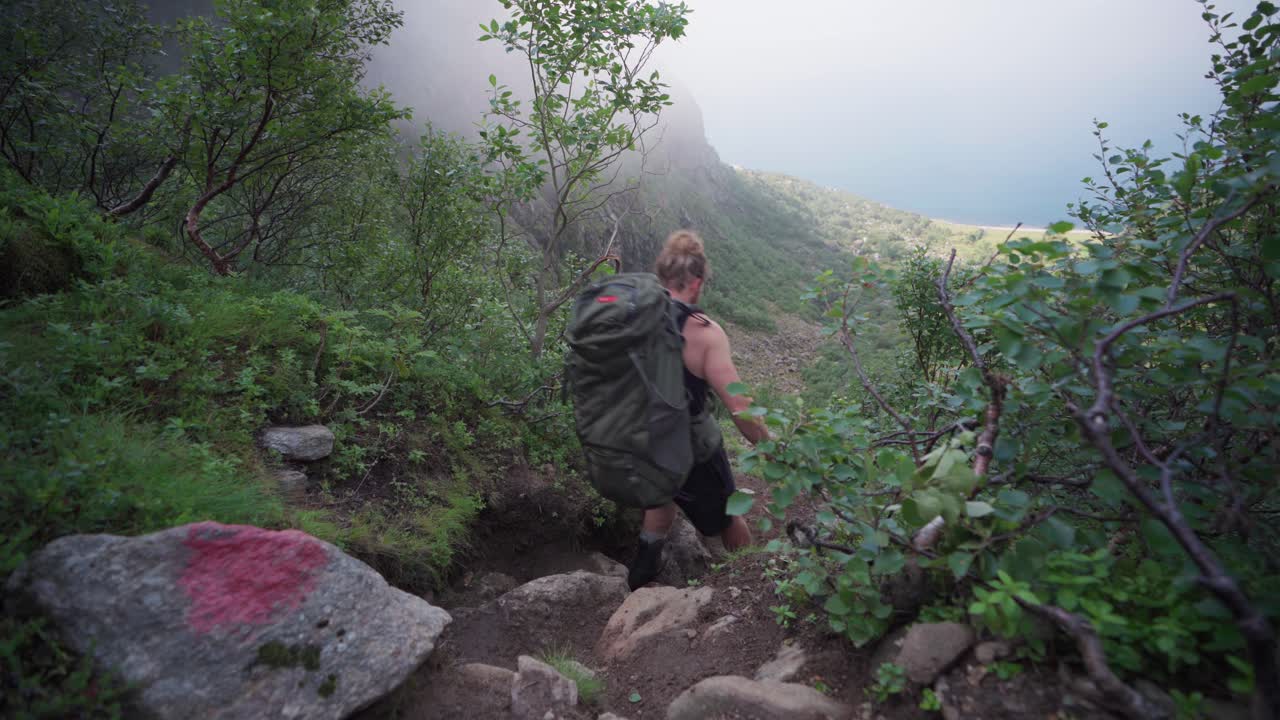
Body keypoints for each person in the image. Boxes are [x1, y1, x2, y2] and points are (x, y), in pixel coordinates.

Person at [627, 229, 769, 590]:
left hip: (639, 433)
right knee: (729, 516)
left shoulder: (633, 312)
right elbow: (739, 407)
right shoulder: (704, 333)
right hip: (689, 446)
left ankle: (638, 583)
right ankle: (753, 589)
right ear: (697, 280)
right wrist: (767, 443)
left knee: (659, 506)